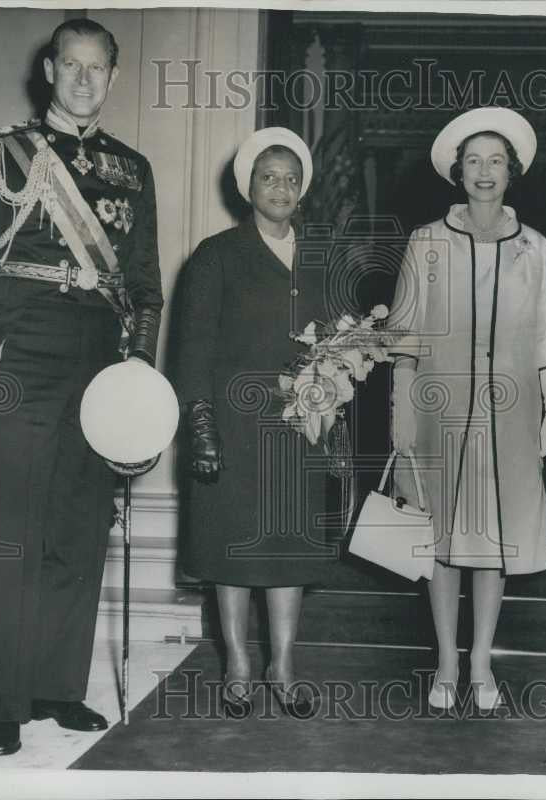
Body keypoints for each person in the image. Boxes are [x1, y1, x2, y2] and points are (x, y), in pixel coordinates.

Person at [0, 19, 162, 756]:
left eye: (96, 68)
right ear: (48, 70)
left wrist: (139, 377)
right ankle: (2, 701)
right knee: (13, 534)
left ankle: (57, 687)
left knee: (77, 530)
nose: (82, 79)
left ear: (114, 78)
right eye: (70, 65)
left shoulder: (135, 170)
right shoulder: (0, 156)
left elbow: (144, 287)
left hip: (99, 360)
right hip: (21, 348)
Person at [388, 107, 546, 711]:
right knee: (442, 539)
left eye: (496, 161)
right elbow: (405, 332)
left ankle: (482, 664)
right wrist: (401, 406)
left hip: (510, 416)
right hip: (440, 412)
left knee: (493, 543)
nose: (484, 172)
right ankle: (445, 664)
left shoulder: (536, 249)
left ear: (512, 171)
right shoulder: (426, 242)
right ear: (456, 172)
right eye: (473, 161)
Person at [173, 127, 339, 719]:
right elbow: (190, 351)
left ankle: (284, 664)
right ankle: (239, 664)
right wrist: (200, 426)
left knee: (290, 549)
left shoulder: (320, 255)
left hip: (300, 430)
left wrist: (335, 394)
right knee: (234, 551)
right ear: (248, 186)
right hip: (234, 429)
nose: (281, 187)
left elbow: (340, 342)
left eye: (292, 178)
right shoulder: (216, 255)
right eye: (269, 176)